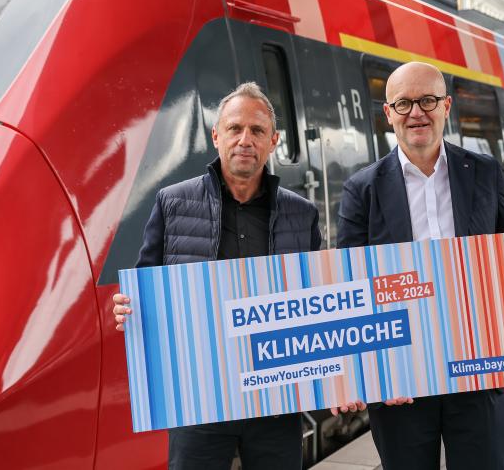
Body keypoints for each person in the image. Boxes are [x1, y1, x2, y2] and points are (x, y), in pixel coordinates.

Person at [113, 82, 365, 470]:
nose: (245, 139)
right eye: (234, 129)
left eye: (257, 131)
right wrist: (128, 309)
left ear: (273, 141)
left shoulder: (302, 214)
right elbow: (148, 287)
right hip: (199, 402)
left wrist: (339, 379)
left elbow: (318, 304)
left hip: (276, 403)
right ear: (217, 136)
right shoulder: (172, 202)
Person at [337, 62, 504, 470]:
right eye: (403, 103)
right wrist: (359, 374)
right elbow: (349, 287)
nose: (416, 112)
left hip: (479, 369)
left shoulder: (486, 173)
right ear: (388, 114)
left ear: (446, 106)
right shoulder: (361, 189)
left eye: (427, 101)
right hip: (402, 379)